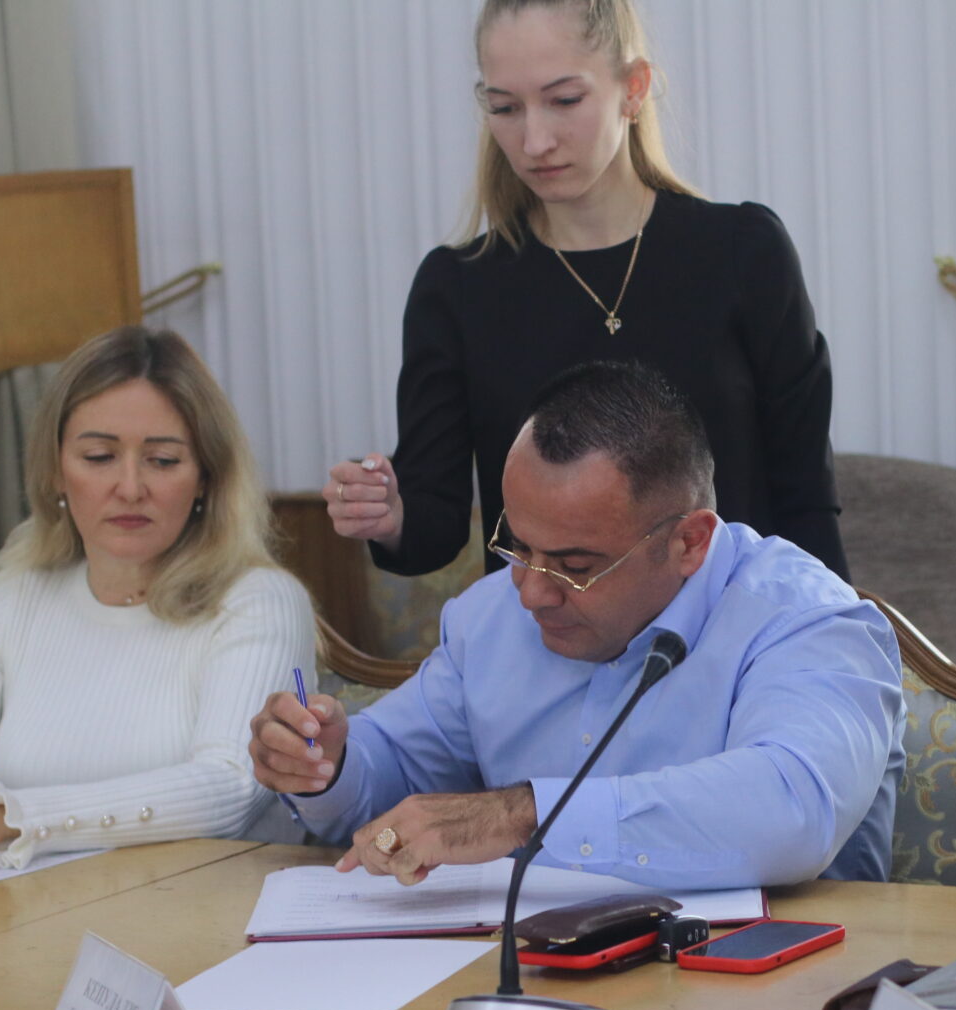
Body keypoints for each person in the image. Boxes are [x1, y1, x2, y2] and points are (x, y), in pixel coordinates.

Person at [258, 360, 899, 889]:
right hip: (534, 966)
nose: (532, 592)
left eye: (576, 566)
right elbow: (392, 771)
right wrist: (328, 765)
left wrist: (523, 814)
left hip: (776, 978)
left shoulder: (807, 620)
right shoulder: (489, 617)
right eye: (519, 546)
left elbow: (793, 809)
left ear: (689, 543)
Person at [322, 0, 849, 583]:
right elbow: (434, 530)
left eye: (565, 100)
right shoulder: (457, 287)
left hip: (735, 623)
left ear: (633, 88)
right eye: (505, 108)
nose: (534, 141)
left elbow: (805, 495)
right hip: (545, 627)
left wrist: (831, 628)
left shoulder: (745, 252)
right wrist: (390, 516)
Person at [0, 327, 315, 869]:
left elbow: (230, 787)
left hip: (199, 912)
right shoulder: (14, 599)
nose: (130, 487)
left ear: (207, 476)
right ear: (55, 472)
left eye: (162, 460)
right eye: (99, 456)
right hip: (27, 912)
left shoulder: (261, 601)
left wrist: (12, 814)